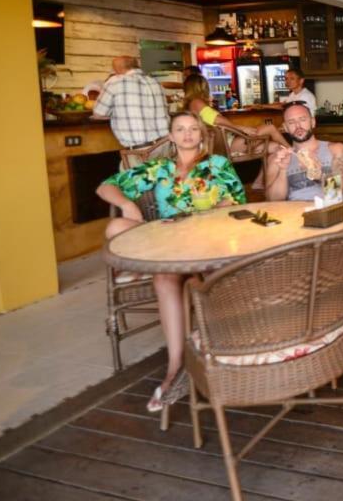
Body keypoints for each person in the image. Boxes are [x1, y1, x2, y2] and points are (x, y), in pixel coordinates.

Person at [97, 111, 246, 412]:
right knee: (125, 238)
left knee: (181, 278)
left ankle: (206, 350)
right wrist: (128, 204)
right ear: (171, 136)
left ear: (202, 134)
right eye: (180, 129)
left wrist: (220, 206)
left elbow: (239, 202)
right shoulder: (158, 169)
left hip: (208, 242)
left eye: (193, 129)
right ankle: (175, 366)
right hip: (170, 243)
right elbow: (104, 187)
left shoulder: (217, 165)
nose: (188, 134)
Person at [265, 102, 343, 201]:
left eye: (302, 120)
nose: (298, 126)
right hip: (295, 213)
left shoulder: (336, 149)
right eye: (291, 122)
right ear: (285, 127)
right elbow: (273, 200)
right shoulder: (277, 158)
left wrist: (319, 175)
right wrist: (283, 170)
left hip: (330, 212)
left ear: (313, 122)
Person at [91, 56, 169, 149]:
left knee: (126, 163)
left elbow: (99, 113)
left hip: (140, 150)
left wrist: (116, 113)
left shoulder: (116, 81)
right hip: (164, 144)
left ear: (117, 69)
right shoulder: (155, 82)